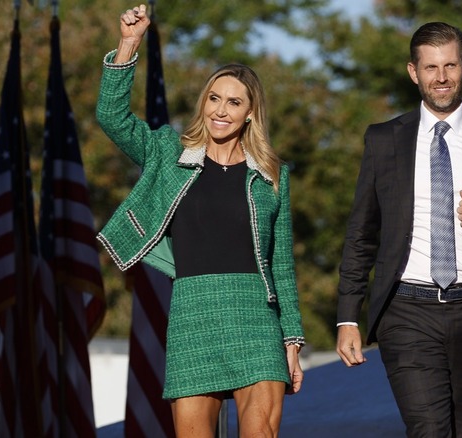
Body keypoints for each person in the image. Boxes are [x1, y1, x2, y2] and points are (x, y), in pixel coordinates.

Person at [95, 5, 305, 437]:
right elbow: (111, 117)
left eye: (234, 102)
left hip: (255, 316)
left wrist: (292, 339)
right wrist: (129, 43)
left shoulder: (272, 175)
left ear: (250, 112)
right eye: (214, 98)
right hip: (193, 313)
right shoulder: (168, 153)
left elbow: (281, 265)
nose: (220, 110)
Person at [335, 22, 462, 437]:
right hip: (406, 311)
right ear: (413, 72)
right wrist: (347, 318)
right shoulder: (383, 140)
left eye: (450, 65)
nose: (441, 77)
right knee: (429, 429)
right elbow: (361, 233)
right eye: (431, 67)